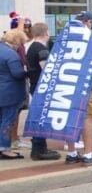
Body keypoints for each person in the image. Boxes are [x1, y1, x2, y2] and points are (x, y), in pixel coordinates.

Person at [64, 12, 92, 166]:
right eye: (90, 24)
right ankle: (87, 154)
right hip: (88, 85)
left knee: (70, 116)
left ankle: (72, 153)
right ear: (88, 22)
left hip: (68, 82)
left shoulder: (65, 36)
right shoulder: (88, 37)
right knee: (88, 117)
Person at [25, 22, 60, 161]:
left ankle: (40, 147)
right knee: (41, 117)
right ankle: (39, 149)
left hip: (35, 86)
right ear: (46, 33)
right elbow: (47, 70)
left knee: (40, 116)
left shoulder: (32, 47)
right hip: (41, 88)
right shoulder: (41, 49)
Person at [0, 29, 28, 160]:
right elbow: (17, 74)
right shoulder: (11, 55)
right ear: (16, 41)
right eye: (21, 42)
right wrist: (28, 73)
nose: (20, 45)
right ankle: (5, 149)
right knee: (7, 120)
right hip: (9, 92)